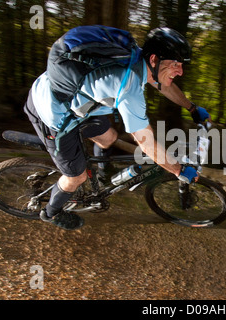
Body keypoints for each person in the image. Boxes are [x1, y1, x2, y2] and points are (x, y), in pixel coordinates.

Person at [23, 27, 211, 230]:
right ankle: (51, 213)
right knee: (76, 177)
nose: (180, 71)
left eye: (181, 65)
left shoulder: (138, 57)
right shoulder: (128, 88)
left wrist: (191, 107)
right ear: (155, 59)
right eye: (175, 64)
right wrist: (178, 169)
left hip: (76, 107)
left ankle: (103, 176)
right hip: (52, 115)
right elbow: (146, 143)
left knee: (109, 136)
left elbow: (163, 84)